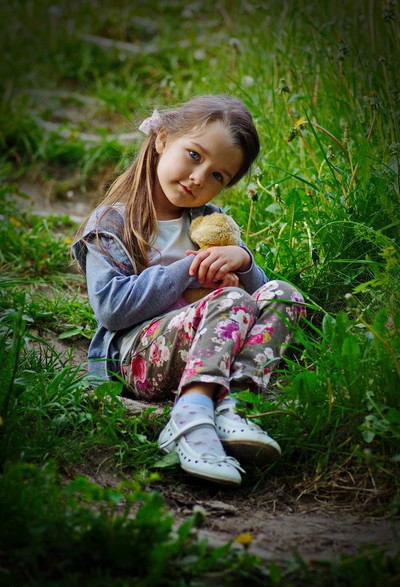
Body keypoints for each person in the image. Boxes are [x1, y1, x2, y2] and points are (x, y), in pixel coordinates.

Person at [72, 94, 305, 487]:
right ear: (163, 139)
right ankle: (189, 415)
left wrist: (242, 263)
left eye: (218, 176)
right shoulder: (112, 224)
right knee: (230, 300)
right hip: (137, 357)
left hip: (209, 346)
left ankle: (234, 406)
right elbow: (111, 310)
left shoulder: (210, 221)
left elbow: (260, 301)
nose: (199, 177)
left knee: (283, 293)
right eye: (195, 155)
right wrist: (190, 272)